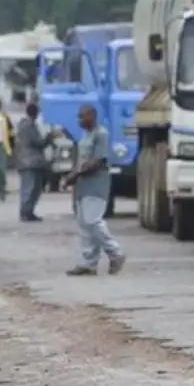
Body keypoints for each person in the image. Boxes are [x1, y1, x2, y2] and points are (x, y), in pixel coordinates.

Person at [64, 104, 126, 276]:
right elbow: (79, 160)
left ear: (92, 116)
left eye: (82, 116)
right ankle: (88, 262)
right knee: (84, 225)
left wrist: (75, 174)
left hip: (96, 186)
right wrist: (71, 176)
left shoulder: (101, 134)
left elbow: (97, 161)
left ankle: (115, 252)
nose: (79, 120)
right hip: (82, 187)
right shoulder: (84, 137)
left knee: (93, 221)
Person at [15, 101, 57, 221]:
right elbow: (39, 142)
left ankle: (27, 211)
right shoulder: (29, 126)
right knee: (31, 188)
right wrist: (49, 137)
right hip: (31, 161)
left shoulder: (23, 124)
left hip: (27, 161)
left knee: (31, 188)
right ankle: (26, 212)